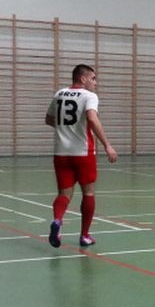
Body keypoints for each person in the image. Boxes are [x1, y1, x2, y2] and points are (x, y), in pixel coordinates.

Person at [45, 64, 118, 248]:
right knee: (88, 193)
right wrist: (107, 145)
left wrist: (66, 129)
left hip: (61, 153)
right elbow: (92, 118)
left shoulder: (59, 94)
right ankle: (84, 235)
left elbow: (49, 119)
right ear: (83, 78)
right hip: (83, 153)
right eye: (93, 78)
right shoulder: (89, 96)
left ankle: (57, 220)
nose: (95, 82)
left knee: (64, 194)